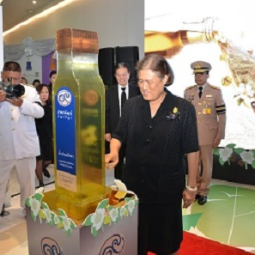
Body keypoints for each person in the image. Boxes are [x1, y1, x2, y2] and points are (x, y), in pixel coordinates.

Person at [105, 54, 199, 255]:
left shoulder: (183, 108)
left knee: (166, 243)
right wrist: (114, 151)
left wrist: (191, 186)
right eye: (140, 81)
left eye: (149, 81)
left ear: (165, 79)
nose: (144, 86)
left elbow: (192, 149)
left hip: (166, 190)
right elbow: (119, 134)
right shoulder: (132, 106)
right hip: (135, 189)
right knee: (135, 241)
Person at [0, 61, 44, 216]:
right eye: (8, 79)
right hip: (4, 146)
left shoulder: (29, 92)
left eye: (16, 79)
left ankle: (29, 211)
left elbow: (40, 112)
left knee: (28, 183)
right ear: (2, 75)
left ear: (21, 77)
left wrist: (22, 104)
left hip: (26, 145)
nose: (13, 82)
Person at [184, 61, 226, 205]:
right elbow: (184, 115)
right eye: (196, 74)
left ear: (208, 75)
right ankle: (193, 189)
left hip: (208, 134)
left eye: (201, 74)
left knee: (206, 165)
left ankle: (203, 191)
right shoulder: (188, 92)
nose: (198, 77)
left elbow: (222, 115)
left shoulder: (215, 92)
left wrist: (220, 135)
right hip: (192, 134)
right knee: (193, 164)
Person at [105, 62, 140, 180]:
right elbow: (106, 112)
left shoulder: (137, 91)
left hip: (134, 132)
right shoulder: (110, 92)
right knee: (117, 161)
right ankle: (119, 184)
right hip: (116, 133)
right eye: (118, 75)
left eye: (124, 74)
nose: (122, 78)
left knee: (133, 161)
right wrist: (107, 131)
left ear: (129, 75)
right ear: (115, 76)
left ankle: (131, 185)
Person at [35, 84, 53, 187]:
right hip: (37, 136)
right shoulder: (35, 106)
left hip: (47, 135)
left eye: (46, 92)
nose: (44, 95)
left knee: (48, 160)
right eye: (42, 92)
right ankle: (41, 183)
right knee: (39, 159)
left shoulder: (50, 105)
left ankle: (42, 168)